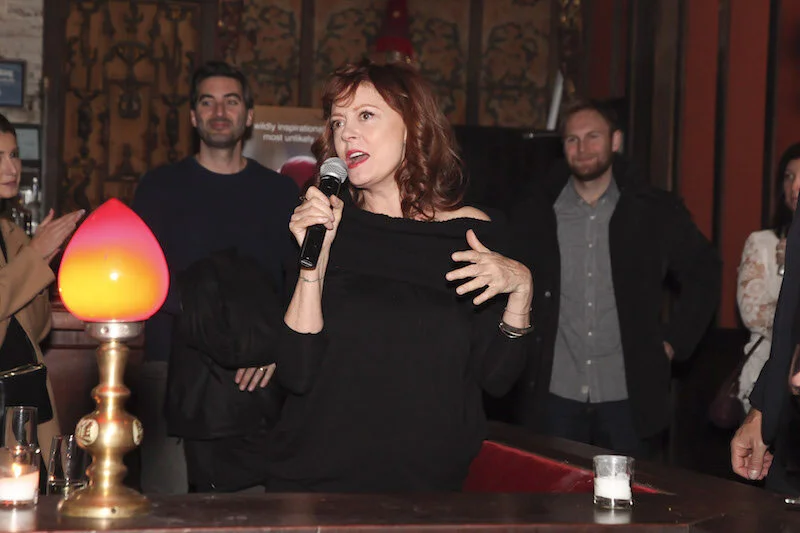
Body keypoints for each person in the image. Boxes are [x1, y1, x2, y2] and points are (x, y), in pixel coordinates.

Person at [266, 59, 533, 492]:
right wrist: (314, 262)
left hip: (426, 490)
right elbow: (295, 373)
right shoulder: (323, 228)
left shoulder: (472, 234)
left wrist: (522, 290)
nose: (347, 133)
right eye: (338, 122)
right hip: (313, 482)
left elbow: (497, 379)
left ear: (413, 126)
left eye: (365, 116)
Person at [507, 100, 721, 459]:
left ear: (615, 141)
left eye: (593, 137)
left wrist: (674, 342)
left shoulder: (653, 210)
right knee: (554, 507)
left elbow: (705, 270)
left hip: (629, 395)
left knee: (632, 506)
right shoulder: (536, 212)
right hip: (554, 392)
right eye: (572, 140)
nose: (582, 148)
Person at [131, 61, 299, 493]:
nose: (219, 110)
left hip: (255, 372)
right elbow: (139, 274)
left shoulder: (280, 194)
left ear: (249, 115)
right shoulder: (158, 188)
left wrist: (277, 350)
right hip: (168, 365)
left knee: (251, 509)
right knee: (164, 508)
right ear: (193, 117)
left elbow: (300, 283)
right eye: (207, 101)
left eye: (231, 100)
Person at [0, 114, 84, 462]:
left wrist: (38, 259)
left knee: (36, 508)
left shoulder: (11, 233)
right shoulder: (25, 245)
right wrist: (35, 257)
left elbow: (41, 327)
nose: (10, 168)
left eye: (14, 155)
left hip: (25, 397)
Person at [731, 148, 800, 495]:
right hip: (771, 373)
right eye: (789, 176)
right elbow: (757, 313)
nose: (796, 185)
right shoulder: (763, 241)